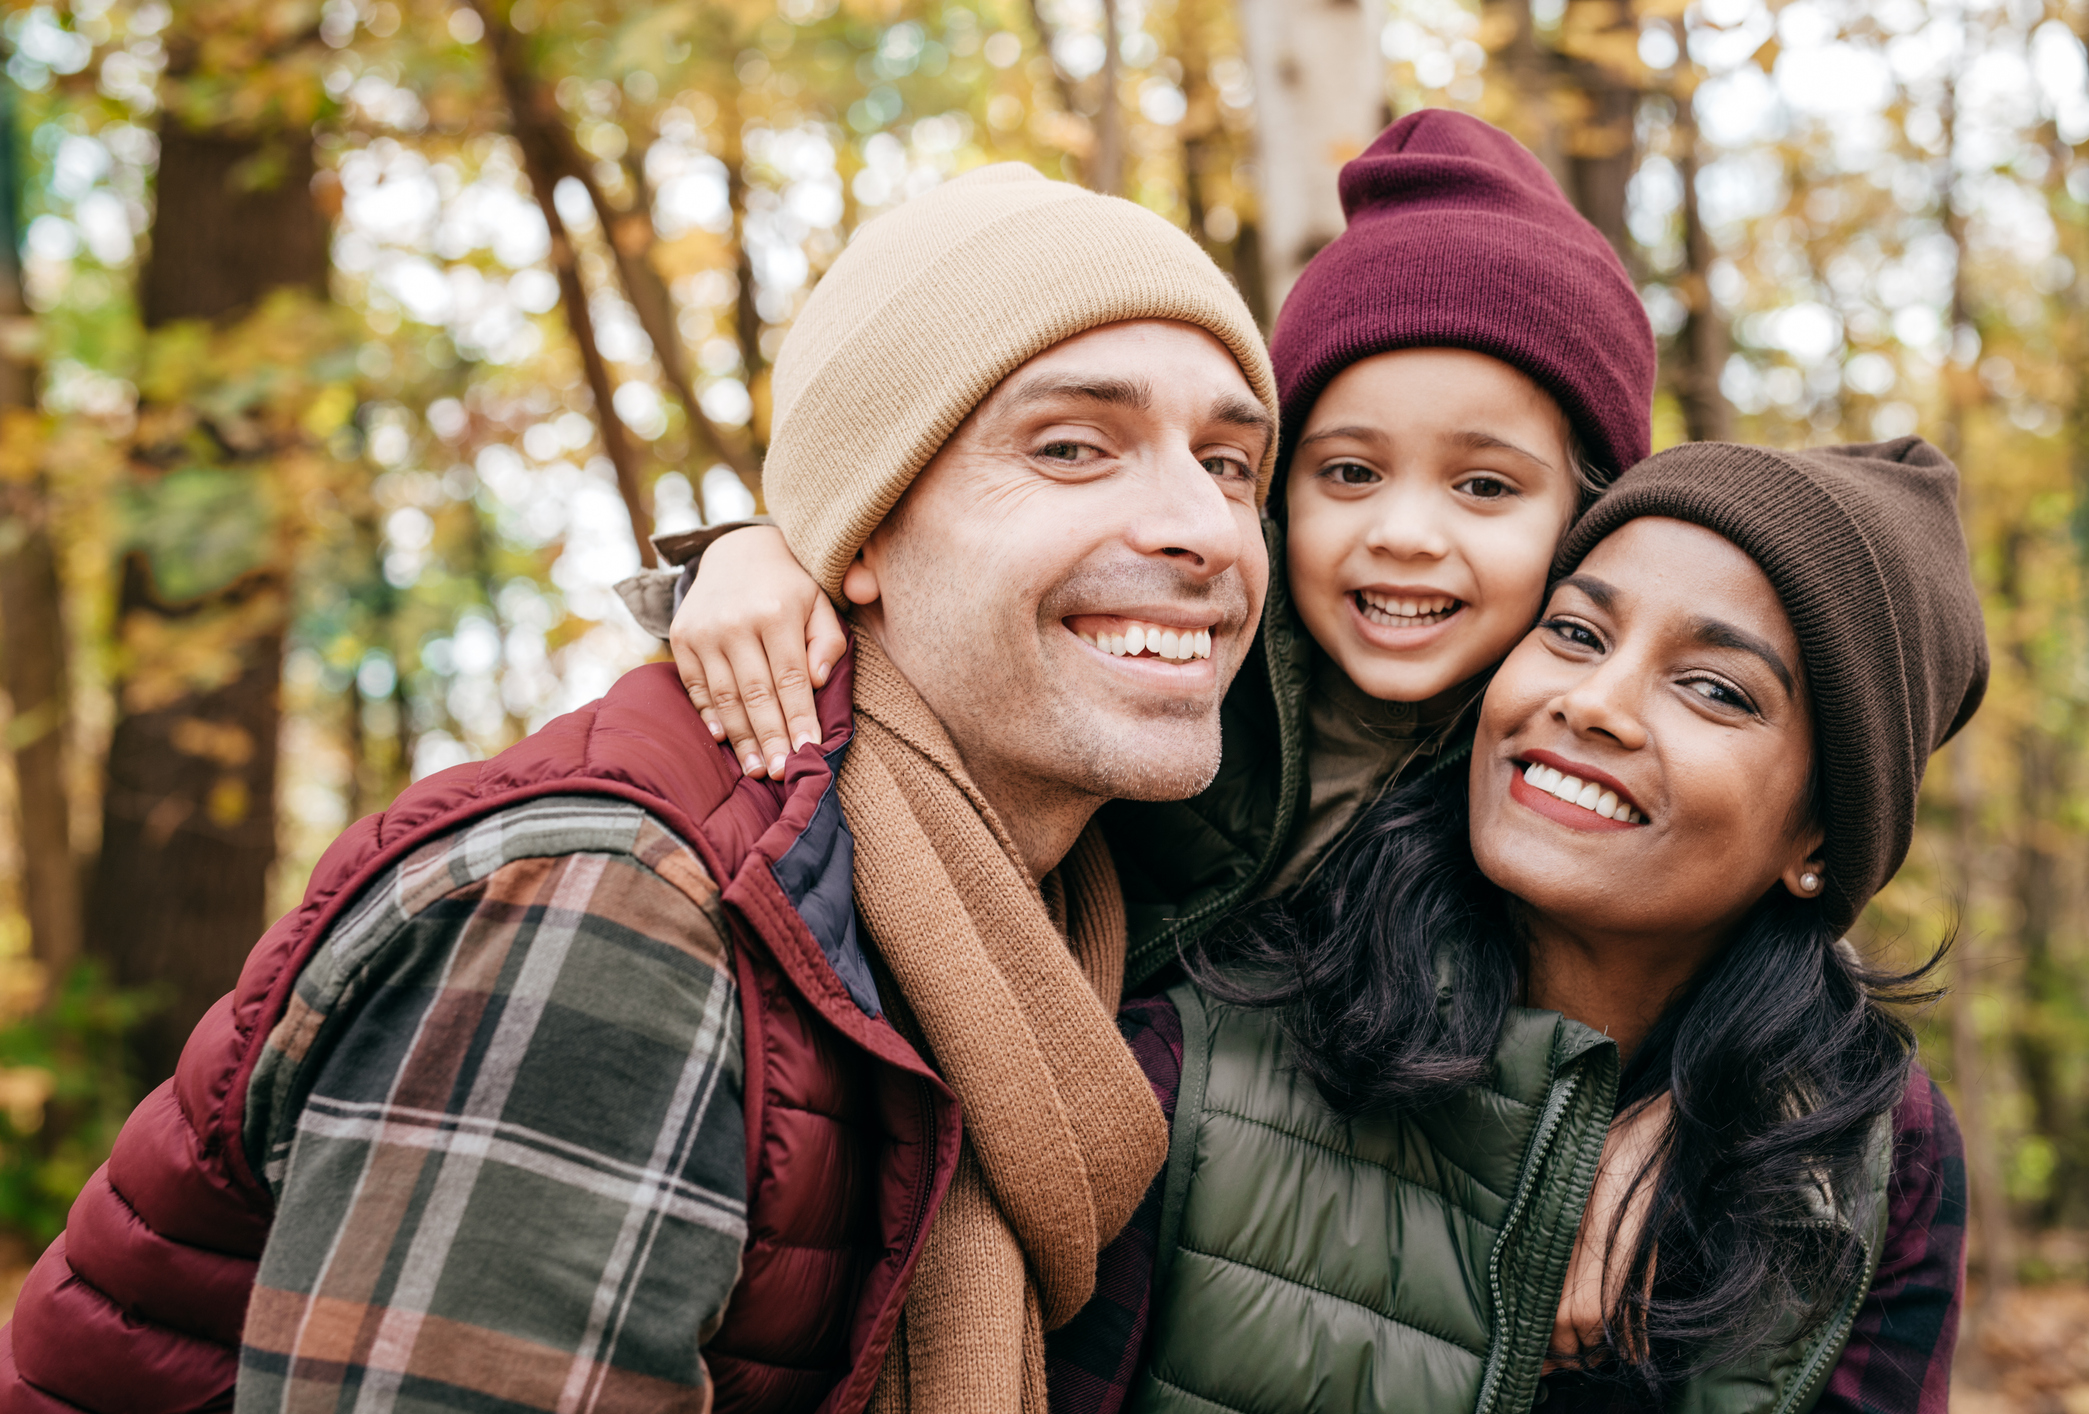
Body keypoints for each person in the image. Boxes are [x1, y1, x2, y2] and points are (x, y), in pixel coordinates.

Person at [0, 163, 1278, 1414]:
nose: (1206, 529)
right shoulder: (612, 911)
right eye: (1071, 447)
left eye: (1230, 463)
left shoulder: (1068, 917)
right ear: (865, 532)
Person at [656, 111, 1658, 988]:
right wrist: (764, 553)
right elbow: (955, 610)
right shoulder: (1188, 664)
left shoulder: (1578, 767)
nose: (1402, 533)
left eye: (1484, 486)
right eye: (1348, 473)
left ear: (1588, 518)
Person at [1141, 438, 1981, 1413]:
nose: (1592, 703)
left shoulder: (1875, 1160)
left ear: (1822, 838)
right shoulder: (1201, 1045)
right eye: (1577, 633)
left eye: (1715, 688)